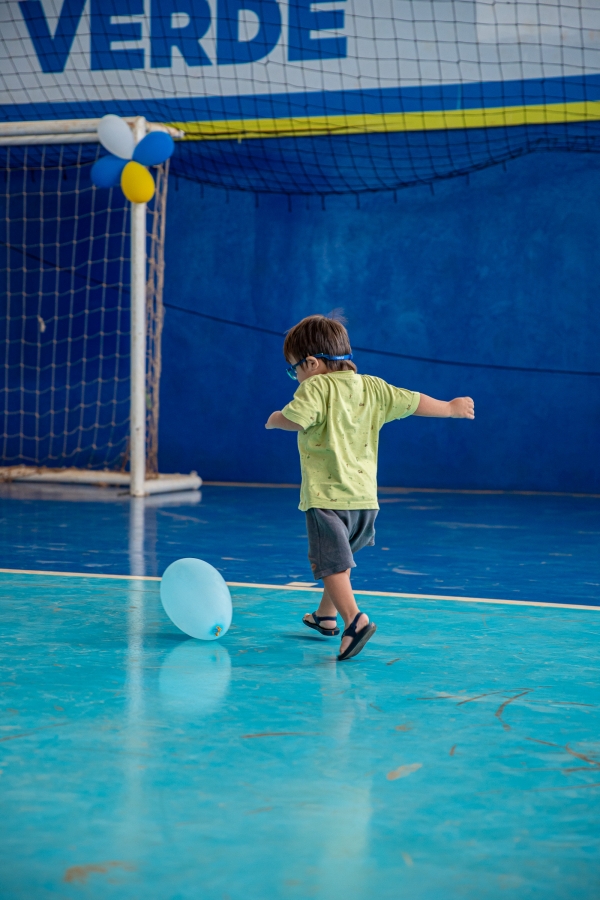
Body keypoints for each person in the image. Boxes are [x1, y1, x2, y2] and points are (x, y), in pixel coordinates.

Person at [265, 314, 474, 661]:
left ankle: (354, 621)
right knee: (340, 561)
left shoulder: (315, 387)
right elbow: (414, 401)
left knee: (330, 565)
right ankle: (325, 615)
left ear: (312, 364)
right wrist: (450, 408)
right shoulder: (374, 387)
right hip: (364, 501)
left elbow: (295, 419)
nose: (296, 377)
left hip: (326, 498)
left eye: (294, 369)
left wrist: (275, 419)